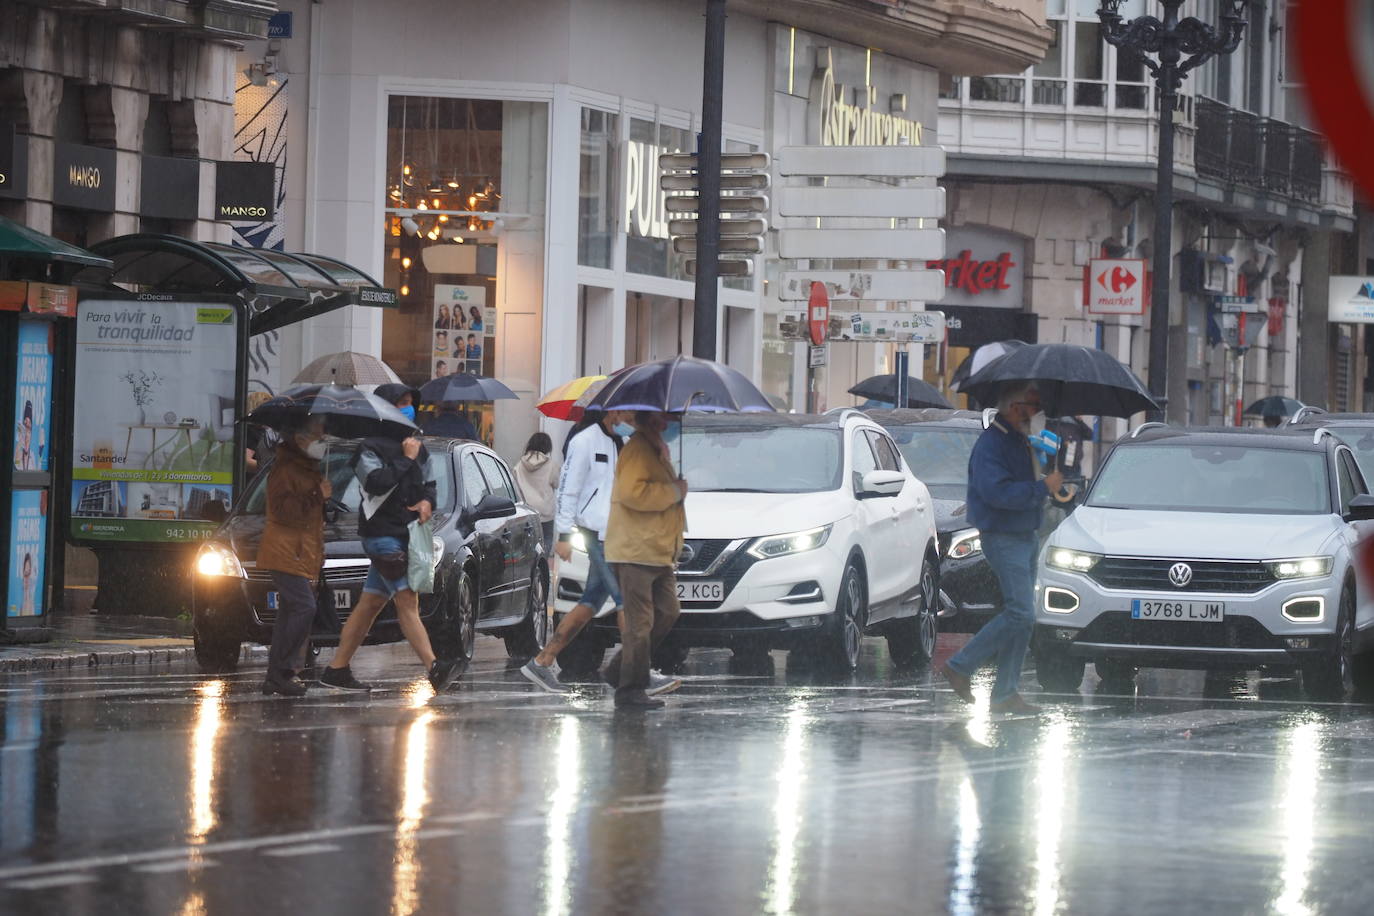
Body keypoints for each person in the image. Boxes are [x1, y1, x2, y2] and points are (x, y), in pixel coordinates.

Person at [522, 408, 676, 696]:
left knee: (590, 603)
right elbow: (568, 489)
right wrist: (565, 534)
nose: (633, 423)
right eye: (630, 416)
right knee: (626, 603)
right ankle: (637, 672)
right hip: (597, 534)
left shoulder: (626, 444)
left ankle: (542, 661)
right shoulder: (585, 441)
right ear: (614, 411)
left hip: (620, 533)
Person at [320, 383, 458, 693]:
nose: (408, 407)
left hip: (407, 534)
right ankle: (435, 668)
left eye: (410, 402)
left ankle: (336, 669)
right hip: (382, 536)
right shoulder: (369, 448)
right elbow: (376, 482)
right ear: (384, 408)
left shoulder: (417, 447)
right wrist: (405, 460)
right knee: (408, 600)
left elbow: (430, 485)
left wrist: (427, 502)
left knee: (369, 605)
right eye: (401, 402)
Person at [941, 382, 1063, 716]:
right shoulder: (991, 444)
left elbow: (1032, 482)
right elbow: (998, 493)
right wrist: (1040, 489)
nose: (1037, 411)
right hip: (1003, 535)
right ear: (1014, 406)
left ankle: (1005, 692)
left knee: (1024, 619)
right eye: (1032, 405)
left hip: (1026, 533)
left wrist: (1049, 474)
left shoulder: (1022, 439)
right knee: (1019, 612)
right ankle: (960, 665)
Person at [601, 411, 690, 709]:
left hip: (657, 550)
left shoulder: (655, 449)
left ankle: (620, 670)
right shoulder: (638, 449)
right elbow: (632, 493)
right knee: (640, 623)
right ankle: (629, 690)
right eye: (667, 417)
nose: (671, 422)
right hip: (635, 550)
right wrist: (674, 491)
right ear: (652, 419)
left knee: (668, 610)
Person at [254, 415, 330, 697]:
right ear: (300, 439)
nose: (322, 443)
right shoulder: (285, 469)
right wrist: (317, 495)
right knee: (303, 608)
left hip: (299, 551)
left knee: (290, 612)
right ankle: (283, 670)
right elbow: (285, 512)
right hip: (284, 551)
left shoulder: (306, 468)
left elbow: (310, 518)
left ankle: (276, 675)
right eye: (318, 437)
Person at [514, 432, 559, 553]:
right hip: (545, 511)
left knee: (527, 543)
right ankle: (543, 565)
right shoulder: (551, 465)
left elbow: (515, 484)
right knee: (546, 539)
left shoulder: (520, 464)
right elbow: (557, 483)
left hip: (526, 510)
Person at [14, 401, 34, 470]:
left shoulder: (32, 456)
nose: (27, 437)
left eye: (29, 432)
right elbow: (16, 463)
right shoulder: (18, 451)